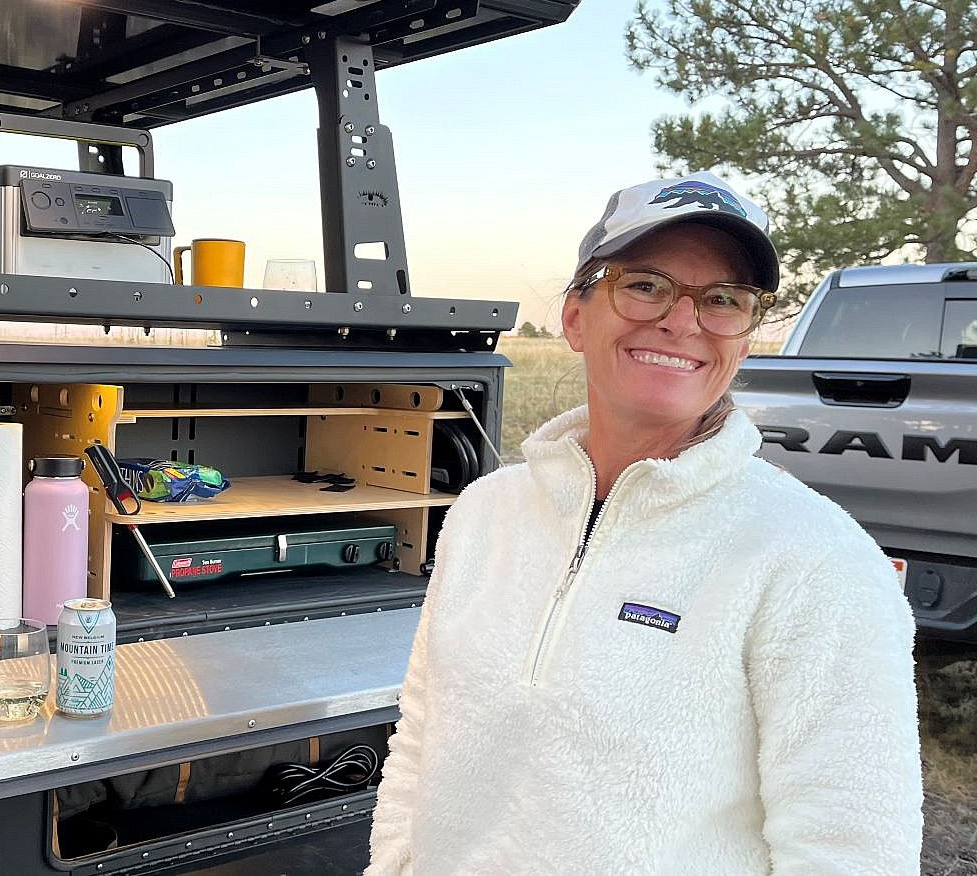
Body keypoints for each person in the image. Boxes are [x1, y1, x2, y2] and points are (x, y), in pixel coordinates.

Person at [366, 172, 923, 875]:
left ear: (744, 341)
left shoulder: (816, 559)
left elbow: (853, 848)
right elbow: (421, 736)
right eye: (645, 284)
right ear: (575, 315)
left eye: (724, 300)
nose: (683, 321)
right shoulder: (486, 512)